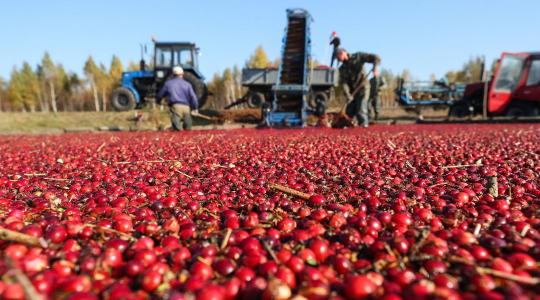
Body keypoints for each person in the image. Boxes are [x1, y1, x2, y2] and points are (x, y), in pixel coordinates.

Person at [336, 48, 381, 127]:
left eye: (338, 56)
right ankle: (348, 133)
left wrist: (375, 66)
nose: (338, 58)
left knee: (361, 110)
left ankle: (364, 129)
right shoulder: (342, 69)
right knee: (349, 113)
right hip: (352, 92)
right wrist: (347, 94)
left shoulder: (358, 56)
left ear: (343, 53)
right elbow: (344, 84)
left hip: (363, 87)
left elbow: (376, 58)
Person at [156, 66, 198, 131]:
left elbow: (160, 95)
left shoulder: (168, 84)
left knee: (177, 130)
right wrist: (195, 107)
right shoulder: (187, 84)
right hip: (186, 108)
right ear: (182, 74)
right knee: (188, 129)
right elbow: (193, 97)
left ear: (173, 74)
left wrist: (158, 101)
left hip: (176, 108)